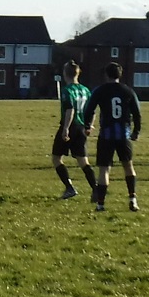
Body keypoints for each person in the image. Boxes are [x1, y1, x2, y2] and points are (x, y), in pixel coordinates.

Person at [80, 62, 142, 212]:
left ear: (106, 74)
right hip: (123, 134)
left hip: (106, 135)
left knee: (104, 170)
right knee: (128, 166)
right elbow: (137, 113)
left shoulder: (100, 91)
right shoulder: (128, 91)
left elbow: (89, 109)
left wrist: (87, 125)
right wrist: (136, 131)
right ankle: (132, 199)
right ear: (120, 75)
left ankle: (101, 204)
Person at [52, 61, 98, 199]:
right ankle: (95, 189)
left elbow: (70, 109)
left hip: (70, 125)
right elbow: (92, 111)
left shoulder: (67, 91)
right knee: (83, 161)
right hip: (82, 128)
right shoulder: (86, 90)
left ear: (65, 74)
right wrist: (89, 125)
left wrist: (65, 128)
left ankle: (69, 187)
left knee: (56, 158)